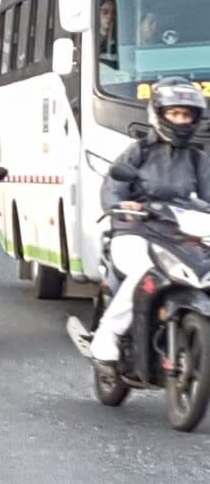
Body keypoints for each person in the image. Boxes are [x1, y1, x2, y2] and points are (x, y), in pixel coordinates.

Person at [90, 77, 210, 363]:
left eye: (186, 115)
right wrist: (122, 205)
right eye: (174, 113)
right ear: (159, 114)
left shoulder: (198, 159)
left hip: (177, 235)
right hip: (135, 231)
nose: (180, 121)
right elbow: (113, 188)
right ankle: (109, 332)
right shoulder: (139, 152)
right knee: (145, 270)